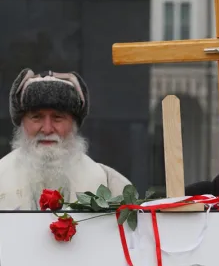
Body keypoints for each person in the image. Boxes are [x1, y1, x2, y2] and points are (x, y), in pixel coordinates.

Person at [0, 69, 131, 210]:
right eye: (36, 117)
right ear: (22, 123)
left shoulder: (111, 185)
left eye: (58, 117)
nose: (47, 129)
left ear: (74, 124)